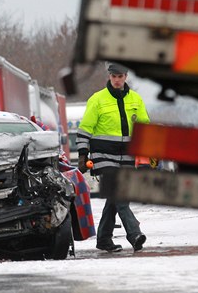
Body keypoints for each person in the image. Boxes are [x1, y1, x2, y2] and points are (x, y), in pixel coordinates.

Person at [77, 62, 149, 253]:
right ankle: (134, 234)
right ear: (109, 77)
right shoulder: (97, 99)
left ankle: (103, 239)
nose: (117, 80)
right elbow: (85, 129)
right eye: (113, 76)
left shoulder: (136, 99)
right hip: (103, 155)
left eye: (120, 76)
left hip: (126, 156)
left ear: (126, 76)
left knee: (114, 198)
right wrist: (83, 155)